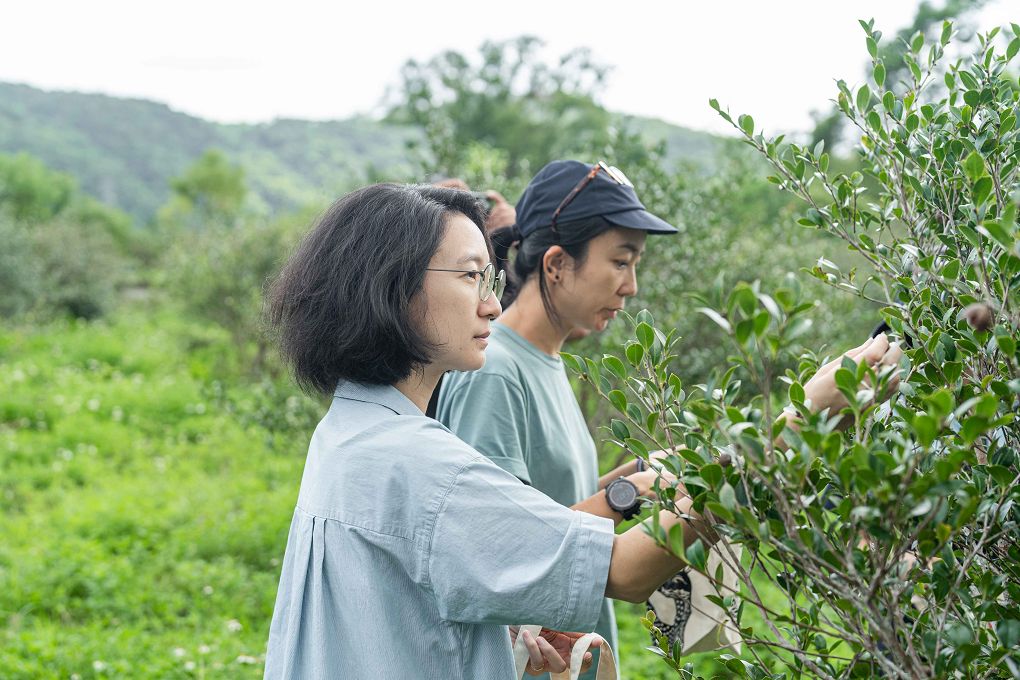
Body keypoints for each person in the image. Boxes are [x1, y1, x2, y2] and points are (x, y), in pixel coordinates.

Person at [262, 182, 897, 679]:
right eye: (468, 277)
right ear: (391, 289)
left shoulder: (353, 430)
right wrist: (798, 420)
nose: (491, 301)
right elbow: (624, 570)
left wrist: (503, 630)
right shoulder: (420, 463)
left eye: (489, 277)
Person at [435, 160, 904, 674]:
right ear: (555, 265)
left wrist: (637, 477)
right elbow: (509, 551)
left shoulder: (544, 362)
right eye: (620, 261)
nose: (631, 285)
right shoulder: (495, 371)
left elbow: (542, 502)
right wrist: (632, 493)